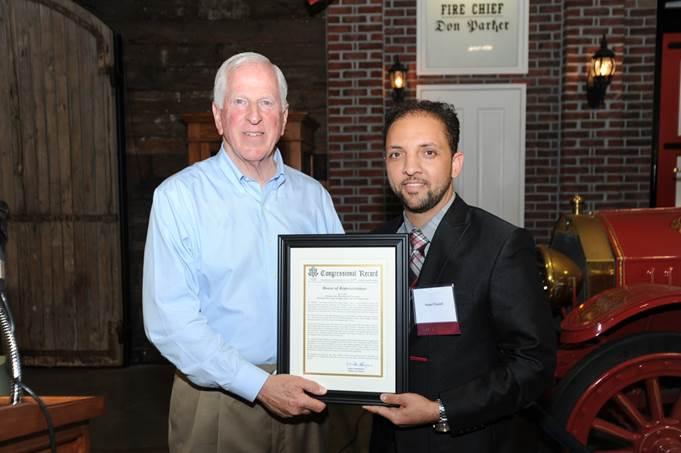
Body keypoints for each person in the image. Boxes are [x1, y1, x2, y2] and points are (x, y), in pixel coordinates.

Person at [143, 52, 344, 453]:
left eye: (266, 102)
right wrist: (260, 385)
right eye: (240, 102)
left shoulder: (314, 198)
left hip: (306, 397)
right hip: (217, 400)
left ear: (284, 118)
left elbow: (341, 297)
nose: (254, 116)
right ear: (218, 116)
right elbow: (171, 322)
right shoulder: (178, 198)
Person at [363, 100, 556, 452]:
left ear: (455, 163)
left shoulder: (502, 245)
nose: (410, 168)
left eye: (428, 152)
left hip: (466, 441)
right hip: (385, 442)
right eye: (396, 154)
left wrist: (442, 410)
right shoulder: (371, 246)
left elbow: (532, 365)